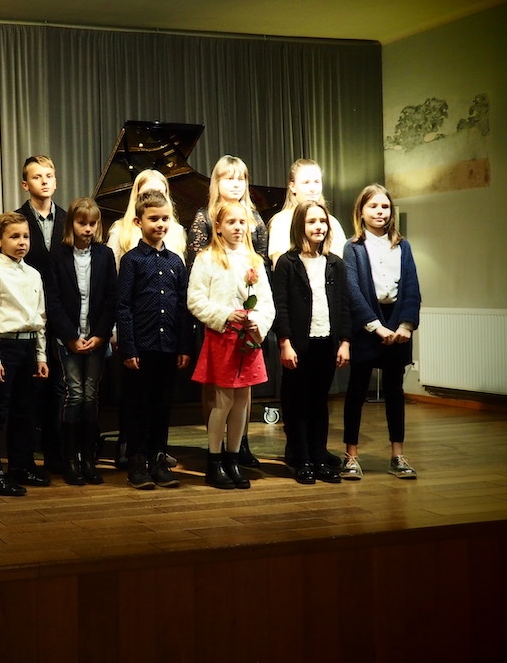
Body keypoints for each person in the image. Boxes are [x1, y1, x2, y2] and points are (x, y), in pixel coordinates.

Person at [186, 155, 268, 471]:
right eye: (231, 223)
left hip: (248, 337)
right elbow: (196, 298)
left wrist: (257, 321)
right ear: (218, 227)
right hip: (221, 335)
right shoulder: (207, 255)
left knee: (243, 399)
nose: (238, 227)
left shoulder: (253, 257)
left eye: (242, 223)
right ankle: (215, 457)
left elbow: (265, 299)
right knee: (222, 400)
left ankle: (234, 456)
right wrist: (224, 315)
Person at [106, 168, 187, 469]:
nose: (160, 224)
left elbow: (181, 307)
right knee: (138, 404)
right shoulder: (131, 260)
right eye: (154, 219)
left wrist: (183, 346)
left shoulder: (176, 262)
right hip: (141, 347)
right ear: (139, 222)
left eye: (165, 219)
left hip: (168, 346)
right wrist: (128, 348)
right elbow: (123, 306)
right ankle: (137, 459)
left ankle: (158, 456)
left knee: (162, 404)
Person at [340, 184, 422, 481]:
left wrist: (404, 326)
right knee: (356, 391)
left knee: (394, 392)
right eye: (373, 206)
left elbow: (411, 288)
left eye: (384, 206)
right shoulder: (353, 247)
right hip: (368, 326)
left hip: (397, 324)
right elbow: (352, 291)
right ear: (360, 212)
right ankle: (351, 455)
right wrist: (375, 327)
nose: (379, 212)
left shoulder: (403, 246)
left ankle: (397, 455)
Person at [272, 200, 351, 485]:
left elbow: (344, 305)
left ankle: (319, 457)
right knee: (297, 402)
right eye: (312, 221)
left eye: (322, 221)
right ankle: (301, 458)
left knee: (319, 402)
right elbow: (280, 305)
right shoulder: (287, 263)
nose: (319, 226)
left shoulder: (335, 264)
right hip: (299, 345)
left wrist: (345, 341)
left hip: (326, 343)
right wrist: (285, 342)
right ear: (299, 226)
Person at [44, 198, 118, 486]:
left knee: (91, 395)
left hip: (96, 337)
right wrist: (70, 337)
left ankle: (89, 459)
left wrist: (100, 335)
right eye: (82, 223)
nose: (87, 229)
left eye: (92, 224)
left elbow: (111, 299)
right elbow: (53, 301)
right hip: (70, 339)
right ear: (71, 224)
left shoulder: (105, 255)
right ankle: (70, 460)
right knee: (74, 395)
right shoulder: (58, 254)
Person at [0, 212, 50, 496]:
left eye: (26, 237)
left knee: (25, 411)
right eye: (15, 237)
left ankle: (21, 466)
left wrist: (41, 356)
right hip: (4, 346)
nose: (22, 242)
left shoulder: (33, 274)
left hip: (28, 346)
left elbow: (39, 318)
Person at [15, 156, 67, 474]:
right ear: (26, 184)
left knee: (58, 386)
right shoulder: (16, 220)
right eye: (37, 177)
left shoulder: (68, 220)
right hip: (28, 313)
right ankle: (24, 456)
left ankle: (55, 454)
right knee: (31, 387)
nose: (44, 181)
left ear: (56, 181)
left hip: (60, 313)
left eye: (49, 175)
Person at [267, 158, 347, 269]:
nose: (313, 189)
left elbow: (341, 265)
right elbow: (281, 268)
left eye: (317, 182)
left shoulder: (332, 222)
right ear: (292, 186)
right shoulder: (281, 222)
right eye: (306, 183)